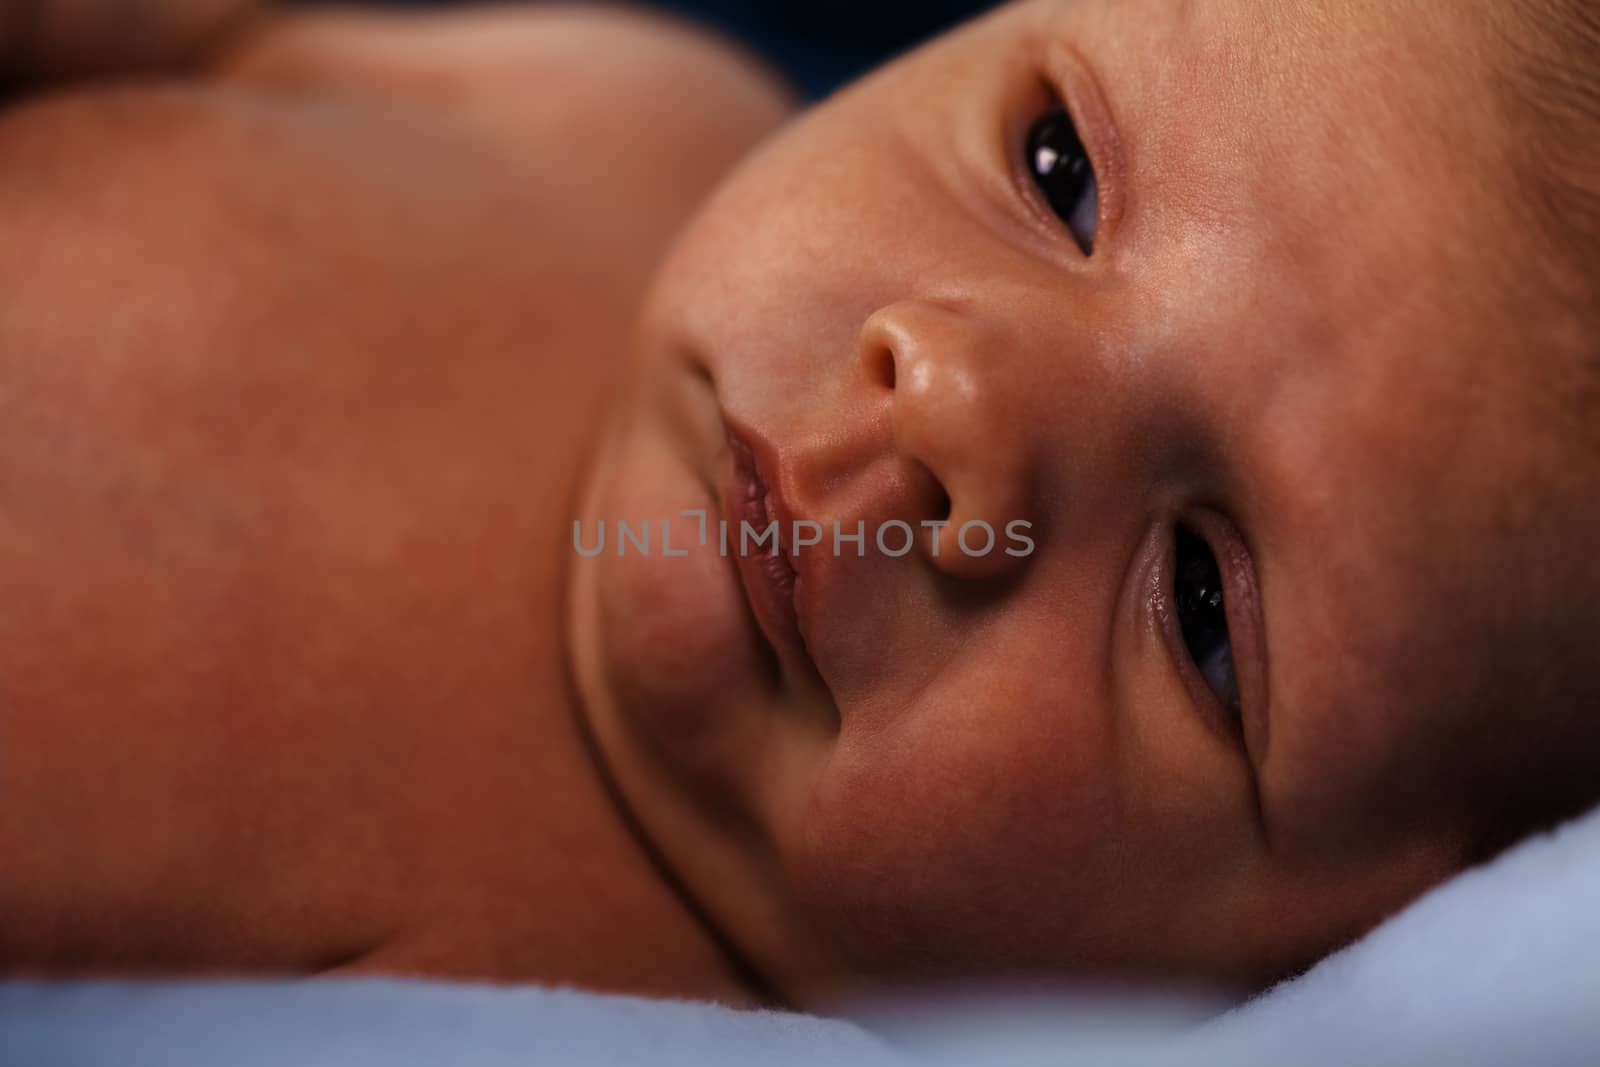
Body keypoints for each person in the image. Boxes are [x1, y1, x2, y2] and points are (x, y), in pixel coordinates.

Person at [0, 0, 1595, 1011]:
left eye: (1199, 608)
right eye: (1061, 172)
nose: (956, 405)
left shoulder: (620, 1009)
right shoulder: (614, 120)